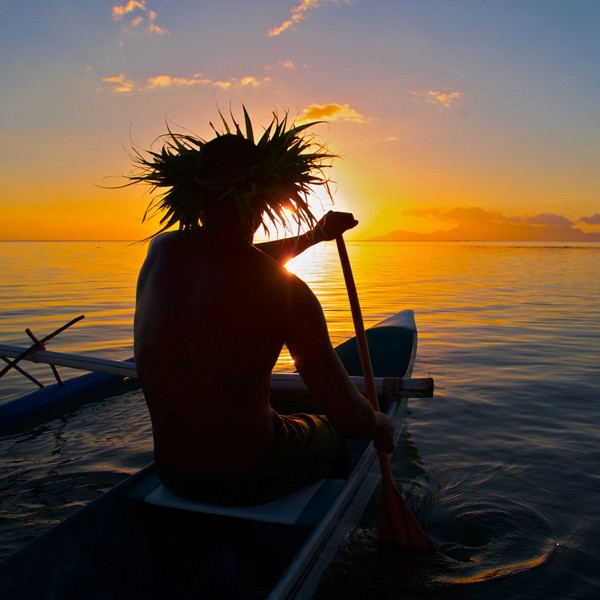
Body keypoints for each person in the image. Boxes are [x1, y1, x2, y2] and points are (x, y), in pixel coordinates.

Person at [132, 111, 394, 506]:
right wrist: (378, 421)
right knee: (331, 431)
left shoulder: (161, 252)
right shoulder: (290, 293)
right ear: (265, 199)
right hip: (248, 473)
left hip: (172, 471)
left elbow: (229, 255)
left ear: (194, 195)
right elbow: (351, 421)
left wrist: (314, 237)